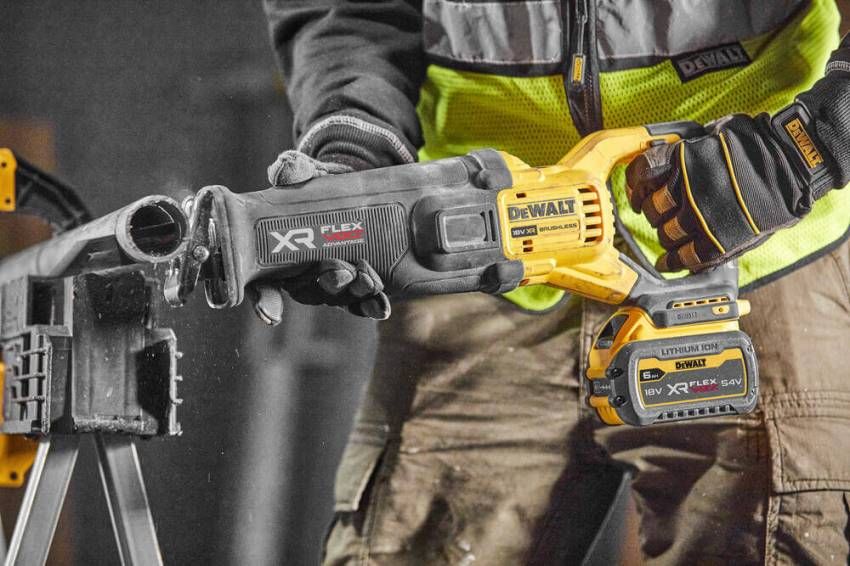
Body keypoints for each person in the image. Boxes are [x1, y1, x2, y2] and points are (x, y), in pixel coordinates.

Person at [260, 1, 850, 563]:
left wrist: (803, 150)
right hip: (482, 247)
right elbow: (349, 12)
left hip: (748, 246)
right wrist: (356, 144)